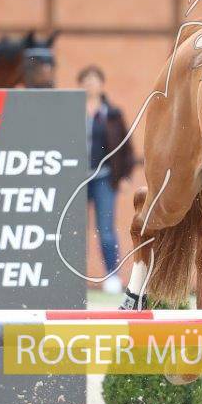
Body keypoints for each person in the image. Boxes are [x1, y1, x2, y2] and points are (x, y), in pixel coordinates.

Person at [78, 65, 134, 294]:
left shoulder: (112, 114)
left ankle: (112, 275)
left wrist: (125, 176)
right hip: (77, 180)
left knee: (106, 228)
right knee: (76, 229)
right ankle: (75, 275)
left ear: (101, 84)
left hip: (104, 178)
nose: (90, 83)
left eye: (94, 80)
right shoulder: (73, 110)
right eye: (86, 80)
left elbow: (126, 147)